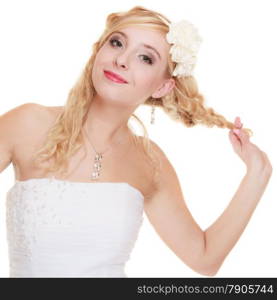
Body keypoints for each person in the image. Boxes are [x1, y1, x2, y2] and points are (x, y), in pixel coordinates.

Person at [0, 5, 272, 278]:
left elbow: (204, 259)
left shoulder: (150, 161)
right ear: (98, 51)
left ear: (162, 87)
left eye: (145, 58)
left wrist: (258, 173)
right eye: (116, 43)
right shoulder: (27, 123)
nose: (121, 60)